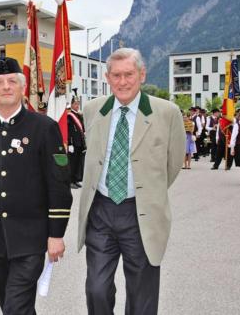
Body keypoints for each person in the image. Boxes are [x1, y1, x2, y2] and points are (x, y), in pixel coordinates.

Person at [0, 57, 72, 314]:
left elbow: (59, 185)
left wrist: (56, 234)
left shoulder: (44, 128)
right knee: (16, 308)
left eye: (12, 81)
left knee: (15, 308)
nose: (6, 86)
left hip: (32, 239)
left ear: (22, 87)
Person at [77, 48, 185, 315]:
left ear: (142, 74)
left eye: (129, 74)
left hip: (140, 212)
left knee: (142, 294)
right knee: (97, 289)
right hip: (100, 212)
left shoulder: (167, 113)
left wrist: (146, 191)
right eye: (116, 75)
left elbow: (172, 165)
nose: (122, 82)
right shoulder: (92, 110)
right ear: (107, 77)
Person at [67, 92, 86, 188]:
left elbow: (82, 128)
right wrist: (70, 143)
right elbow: (69, 131)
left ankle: (75, 180)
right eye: (75, 104)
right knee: (72, 163)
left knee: (78, 163)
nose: (77, 106)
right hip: (73, 144)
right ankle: (70, 181)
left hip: (79, 143)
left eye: (78, 104)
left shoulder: (79, 115)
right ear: (71, 104)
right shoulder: (69, 116)